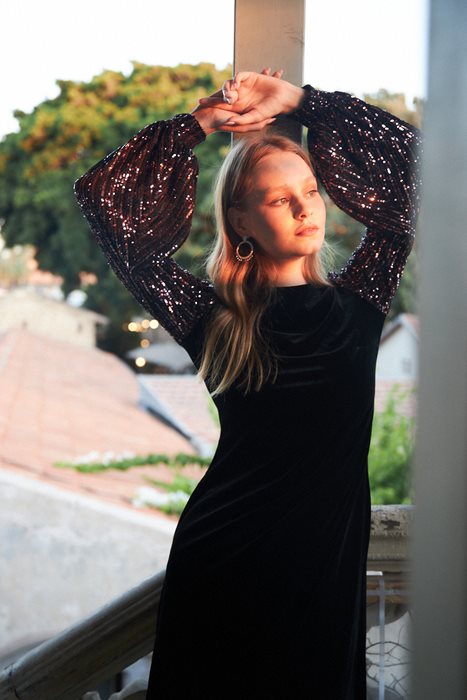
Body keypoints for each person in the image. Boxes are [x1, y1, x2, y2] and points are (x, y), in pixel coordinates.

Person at [74, 69, 422, 699]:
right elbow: (103, 199)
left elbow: (422, 171)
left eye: (311, 191)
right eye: (278, 199)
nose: (305, 209)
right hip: (228, 557)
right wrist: (200, 122)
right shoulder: (212, 318)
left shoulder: (362, 302)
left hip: (325, 566)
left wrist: (304, 103)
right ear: (240, 220)